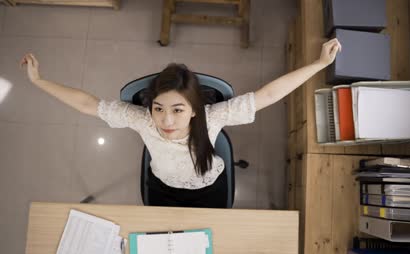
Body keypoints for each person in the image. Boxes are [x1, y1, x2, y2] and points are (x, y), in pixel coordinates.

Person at [20, 38, 342, 208]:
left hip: (208, 189)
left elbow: (269, 93)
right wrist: (39, 81)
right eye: (159, 108)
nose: (165, 120)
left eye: (177, 110)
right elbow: (88, 103)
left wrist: (319, 63)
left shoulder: (213, 116)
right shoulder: (142, 119)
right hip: (162, 187)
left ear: (194, 109)